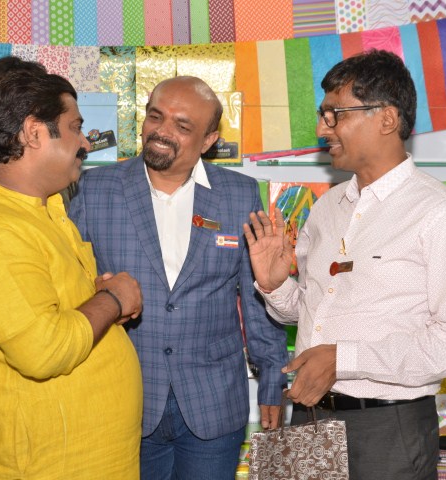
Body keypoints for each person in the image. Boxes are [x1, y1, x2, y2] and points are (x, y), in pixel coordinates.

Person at [243, 49, 446, 480]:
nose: (323, 129)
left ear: (386, 119)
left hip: (387, 427)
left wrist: (344, 359)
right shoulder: (327, 208)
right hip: (311, 417)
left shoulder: (439, 213)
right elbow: (314, 314)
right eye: (323, 115)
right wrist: (275, 286)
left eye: (335, 114)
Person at [0, 59, 144, 479]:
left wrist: (98, 302)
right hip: (35, 465)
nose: (85, 143)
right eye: (75, 127)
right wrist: (112, 298)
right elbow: (45, 350)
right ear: (33, 132)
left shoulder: (39, 209)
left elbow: (54, 313)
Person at [69, 75, 287, 479]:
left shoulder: (239, 194)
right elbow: (69, 291)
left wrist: (272, 376)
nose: (162, 131)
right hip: (122, 397)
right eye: (156, 117)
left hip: (213, 404)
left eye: (182, 125)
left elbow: (259, 292)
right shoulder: (93, 189)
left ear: (209, 140)